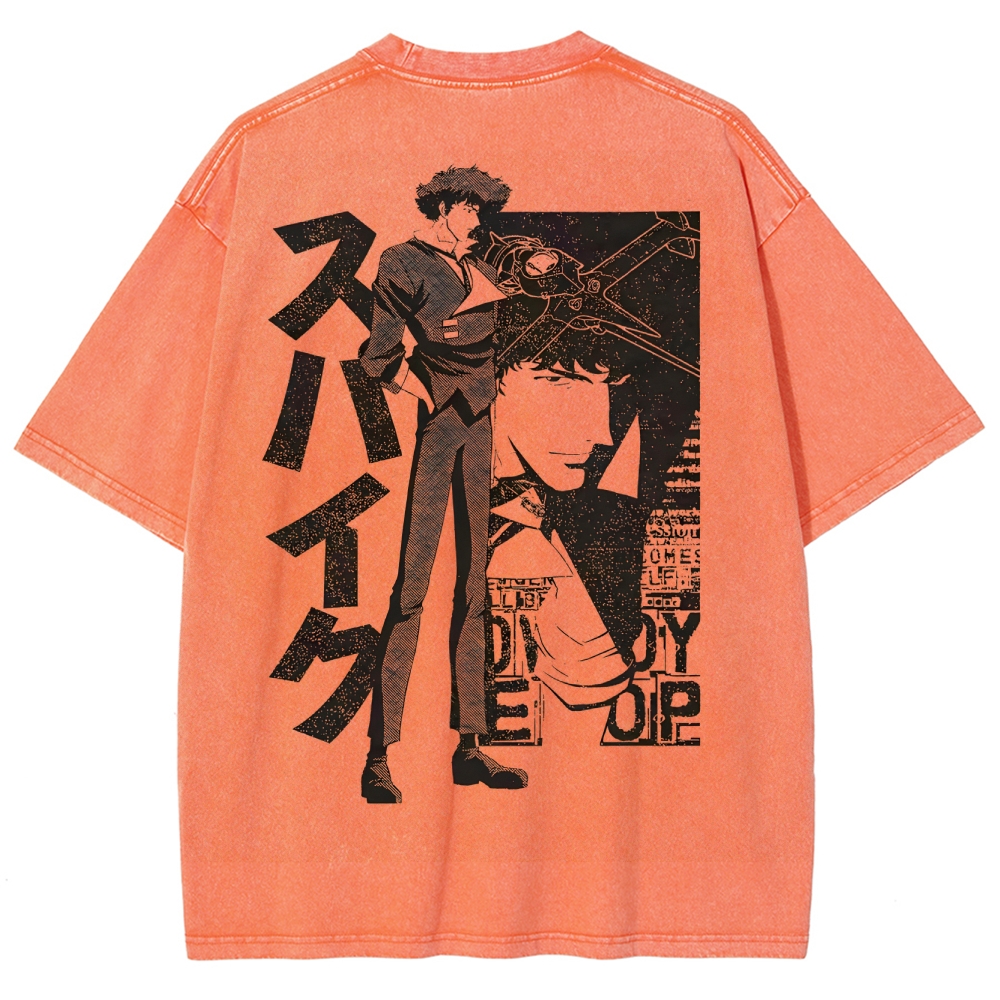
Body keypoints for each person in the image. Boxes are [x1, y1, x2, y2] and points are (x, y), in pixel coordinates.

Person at [359, 166, 529, 803]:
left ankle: (470, 745)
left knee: (475, 583)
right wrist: (423, 391)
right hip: (441, 424)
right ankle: (379, 754)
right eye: (471, 209)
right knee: (414, 583)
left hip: (481, 422)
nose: (478, 220)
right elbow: (378, 355)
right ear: (445, 207)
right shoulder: (402, 260)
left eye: (482, 211)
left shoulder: (475, 265)